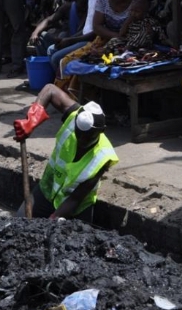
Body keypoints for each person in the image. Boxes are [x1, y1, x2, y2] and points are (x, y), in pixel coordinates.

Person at [12, 84, 120, 221]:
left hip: (75, 206)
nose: (81, 141)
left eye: (87, 138)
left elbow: (76, 198)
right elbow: (50, 90)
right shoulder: (74, 116)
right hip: (48, 190)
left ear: (102, 131)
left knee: (76, 238)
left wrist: (54, 218)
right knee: (20, 221)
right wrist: (32, 118)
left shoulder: (103, 157)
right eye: (78, 135)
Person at [54, 0, 135, 94]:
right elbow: (97, 27)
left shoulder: (136, 3)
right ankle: (70, 100)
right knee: (67, 61)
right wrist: (116, 36)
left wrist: (121, 40)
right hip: (102, 41)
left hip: (126, 45)